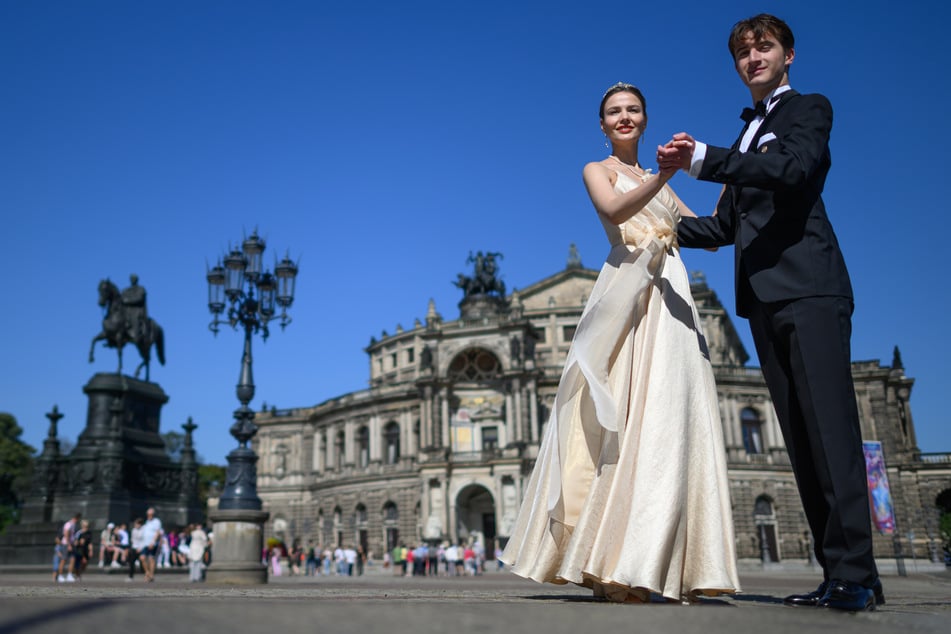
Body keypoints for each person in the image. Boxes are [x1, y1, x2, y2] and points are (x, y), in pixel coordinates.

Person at [657, 13, 882, 612]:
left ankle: (858, 573)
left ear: (788, 56)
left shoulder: (809, 110)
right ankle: (840, 573)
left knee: (832, 432)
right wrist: (653, 223)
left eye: (765, 47)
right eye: (743, 52)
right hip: (763, 298)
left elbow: (792, 170)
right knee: (802, 443)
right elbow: (724, 225)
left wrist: (705, 158)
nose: (753, 58)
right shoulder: (751, 136)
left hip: (810, 288)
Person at [500, 82, 740, 604]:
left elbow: (713, 233)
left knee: (667, 426)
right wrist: (666, 175)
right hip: (628, 295)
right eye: (614, 112)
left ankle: (653, 560)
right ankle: (609, 562)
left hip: (670, 296)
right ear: (603, 125)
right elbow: (614, 212)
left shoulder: (657, 180)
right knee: (625, 421)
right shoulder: (599, 169)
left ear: (645, 119)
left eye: (633, 109)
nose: (624, 117)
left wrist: (732, 168)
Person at [140, 507, 163, 582]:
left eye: (151, 514)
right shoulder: (146, 522)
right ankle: (147, 573)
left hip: (152, 543)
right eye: (148, 514)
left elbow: (157, 532)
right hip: (145, 544)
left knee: (151, 559)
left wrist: (153, 542)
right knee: (142, 558)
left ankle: (151, 575)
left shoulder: (156, 521)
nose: (149, 515)